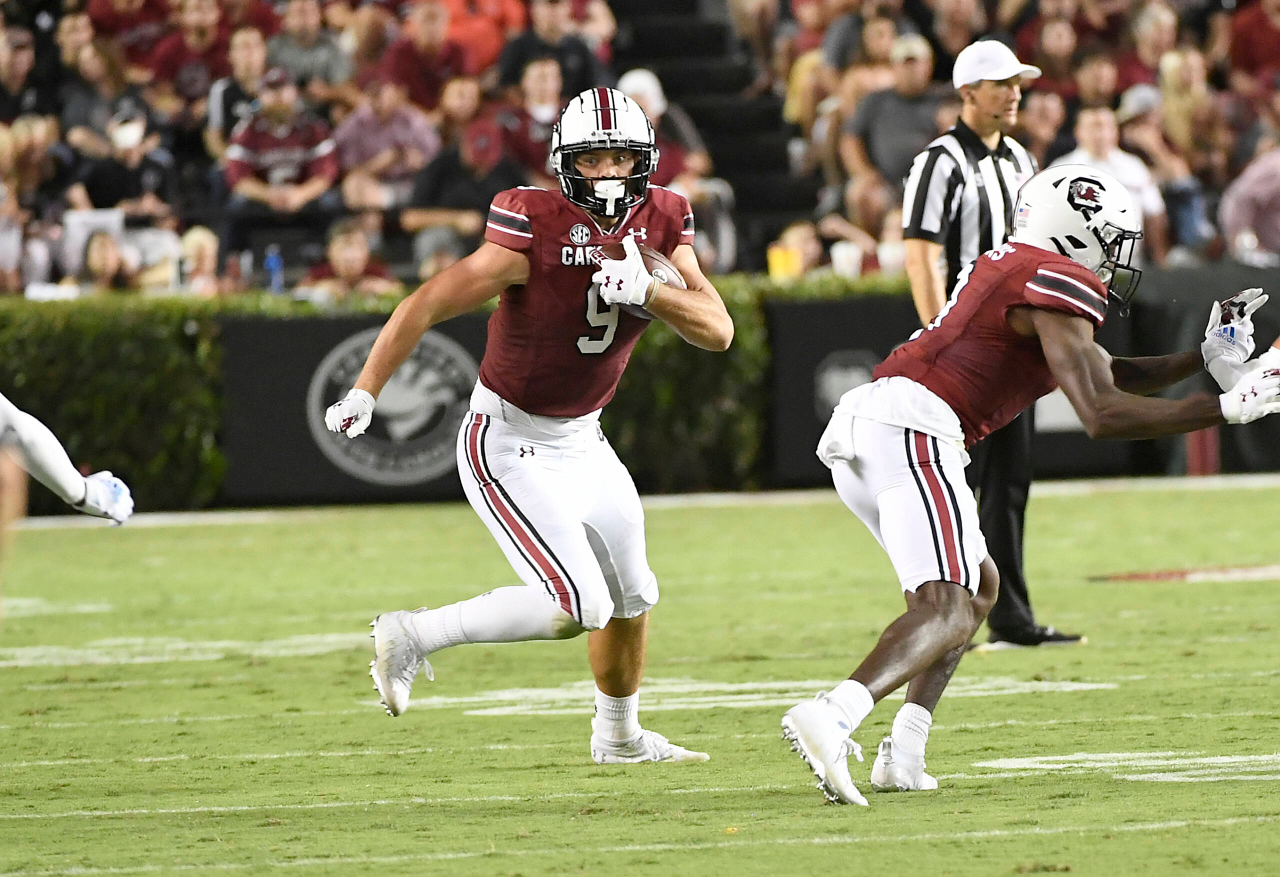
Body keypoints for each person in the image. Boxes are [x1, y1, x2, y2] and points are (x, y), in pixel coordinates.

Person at [782, 162, 1280, 806]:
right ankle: (834, 713)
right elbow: (1101, 413)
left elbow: (1113, 371)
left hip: (884, 425)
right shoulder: (1054, 277)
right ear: (1075, 233)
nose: (1115, 258)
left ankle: (903, 751)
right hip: (913, 428)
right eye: (1111, 240)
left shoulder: (1023, 268)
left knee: (978, 587)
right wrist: (1226, 407)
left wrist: (1203, 358)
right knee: (947, 606)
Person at [323, 87, 733, 764]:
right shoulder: (531, 223)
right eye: (594, 160)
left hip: (585, 437)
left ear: (646, 159)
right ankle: (412, 633)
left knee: (634, 594)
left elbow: (718, 330)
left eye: (622, 159)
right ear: (567, 164)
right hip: (507, 438)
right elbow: (425, 303)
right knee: (582, 605)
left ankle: (621, 738)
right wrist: (367, 388)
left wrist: (651, 292)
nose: (609, 174)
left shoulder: (664, 219)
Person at [902, 40, 1061, 650]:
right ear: (968, 93)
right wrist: (939, 335)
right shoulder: (940, 161)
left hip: (1011, 346)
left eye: (1018, 82)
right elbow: (921, 251)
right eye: (1002, 83)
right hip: (963, 347)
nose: (1015, 92)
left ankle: (1011, 616)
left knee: (1010, 480)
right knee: (950, 484)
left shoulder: (1019, 158)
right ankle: (945, 609)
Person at [219, 66, 340, 264]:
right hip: (265, 198)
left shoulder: (313, 127)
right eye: (271, 90)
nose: (278, 97)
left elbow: (326, 174)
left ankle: (326, 261)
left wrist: (300, 194)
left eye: (283, 89)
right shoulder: (247, 130)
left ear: (294, 92)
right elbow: (238, 178)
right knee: (236, 205)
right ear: (260, 95)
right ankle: (233, 263)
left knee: (330, 202)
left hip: (302, 197)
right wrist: (269, 195)